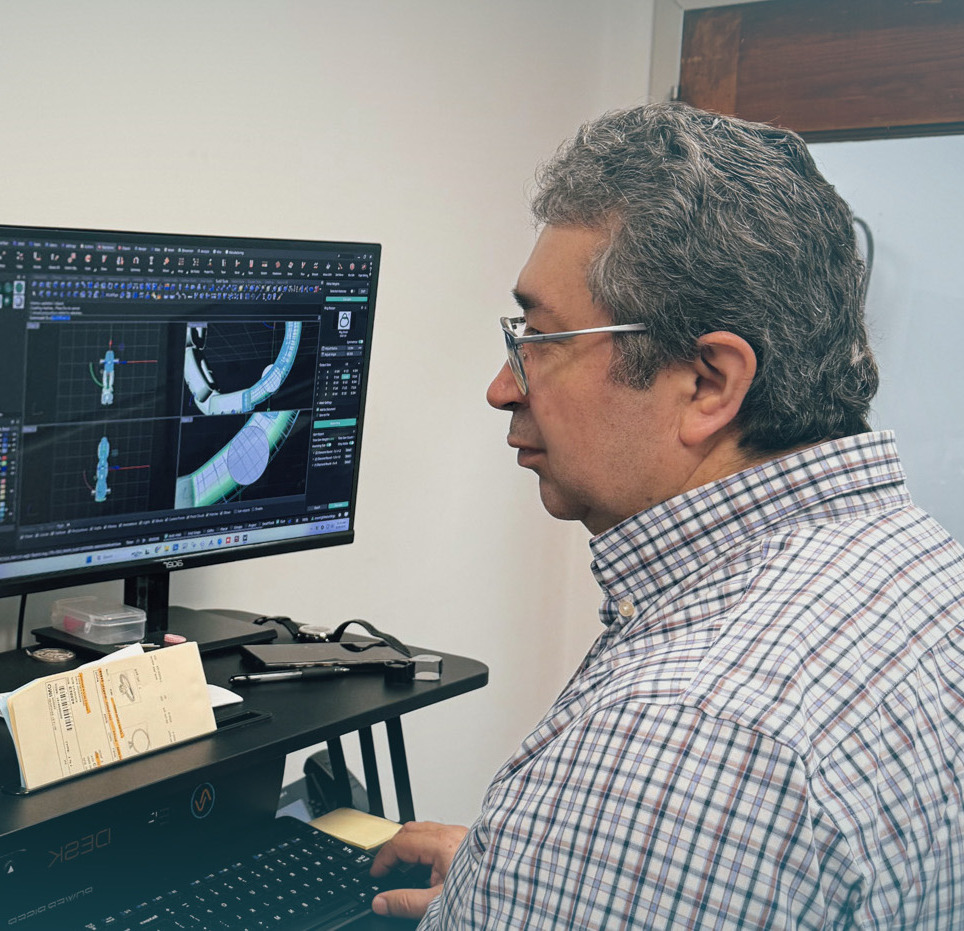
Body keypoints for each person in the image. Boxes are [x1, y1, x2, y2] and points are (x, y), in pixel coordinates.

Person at [370, 102, 964, 928]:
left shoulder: (684, 738)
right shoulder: (916, 572)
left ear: (709, 382)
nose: (503, 387)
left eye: (538, 340)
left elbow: (691, 796)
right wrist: (537, 876)